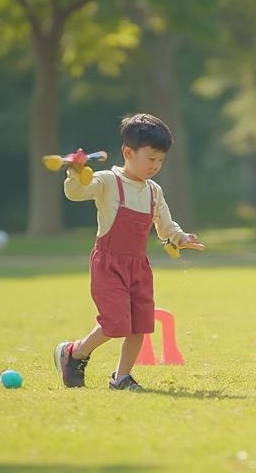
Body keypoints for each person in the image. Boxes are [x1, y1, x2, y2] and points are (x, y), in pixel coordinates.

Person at [54, 113, 205, 391]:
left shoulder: (154, 191)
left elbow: (166, 225)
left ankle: (121, 377)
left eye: (160, 160)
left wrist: (180, 237)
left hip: (138, 267)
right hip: (108, 264)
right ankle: (74, 352)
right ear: (127, 152)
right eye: (150, 159)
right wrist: (75, 172)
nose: (156, 166)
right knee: (114, 324)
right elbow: (76, 193)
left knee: (140, 326)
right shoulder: (107, 181)